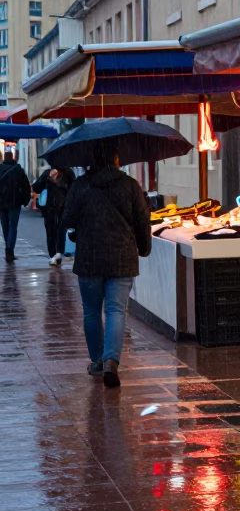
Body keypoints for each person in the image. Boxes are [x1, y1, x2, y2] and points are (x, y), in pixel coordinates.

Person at [60, 140, 152, 388]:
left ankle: (97, 362)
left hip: (89, 258)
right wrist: (144, 248)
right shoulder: (131, 186)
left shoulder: (81, 186)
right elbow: (143, 222)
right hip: (122, 257)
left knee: (91, 312)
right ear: (115, 160)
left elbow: (67, 219)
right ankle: (112, 360)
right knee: (115, 310)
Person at [33, 166, 75, 265]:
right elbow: (36, 188)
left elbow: (74, 188)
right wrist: (48, 177)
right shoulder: (65, 172)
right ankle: (57, 253)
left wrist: (52, 178)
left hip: (56, 206)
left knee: (54, 230)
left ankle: (55, 254)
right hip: (57, 207)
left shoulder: (66, 173)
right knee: (57, 230)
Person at [0, 149, 32, 262]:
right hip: (15, 203)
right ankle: (10, 250)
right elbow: (26, 186)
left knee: (5, 227)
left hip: (2, 204)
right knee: (13, 226)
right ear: (12, 157)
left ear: (4, 157)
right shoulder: (18, 169)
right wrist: (25, 200)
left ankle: (8, 249)